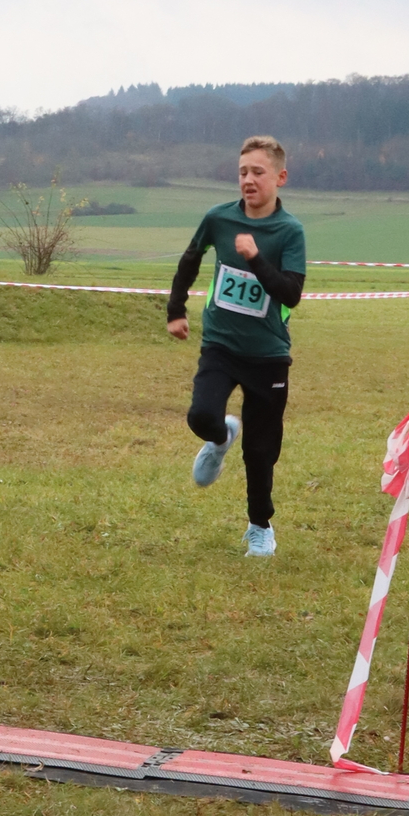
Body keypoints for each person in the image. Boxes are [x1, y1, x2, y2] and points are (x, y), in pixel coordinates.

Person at [165, 136, 307, 560]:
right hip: (221, 345)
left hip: (268, 355)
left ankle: (260, 527)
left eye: (258, 172)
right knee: (200, 415)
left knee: (260, 452)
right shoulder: (219, 218)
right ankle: (220, 436)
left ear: (280, 177)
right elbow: (190, 260)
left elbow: (291, 293)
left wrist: (256, 259)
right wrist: (176, 309)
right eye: (243, 172)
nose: (248, 180)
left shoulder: (290, 231)